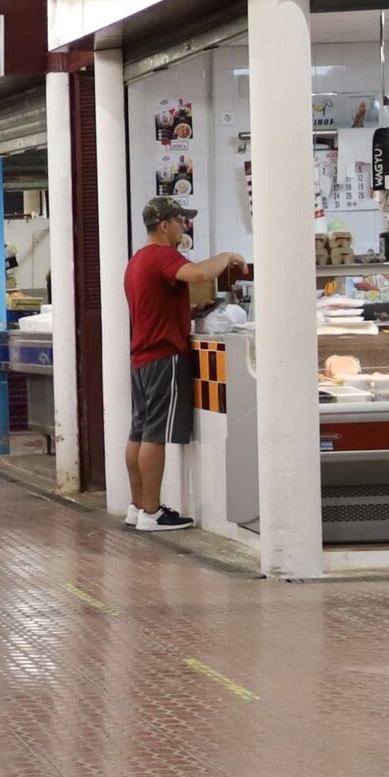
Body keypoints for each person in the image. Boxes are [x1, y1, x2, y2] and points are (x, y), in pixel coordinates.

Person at [122, 198, 242, 533]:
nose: (184, 226)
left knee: (139, 431)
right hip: (164, 356)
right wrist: (227, 256)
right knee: (154, 435)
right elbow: (200, 272)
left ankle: (136, 506)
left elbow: (155, 306)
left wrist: (188, 311)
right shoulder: (163, 256)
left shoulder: (137, 262)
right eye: (180, 221)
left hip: (142, 356)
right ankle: (152, 511)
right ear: (164, 225)